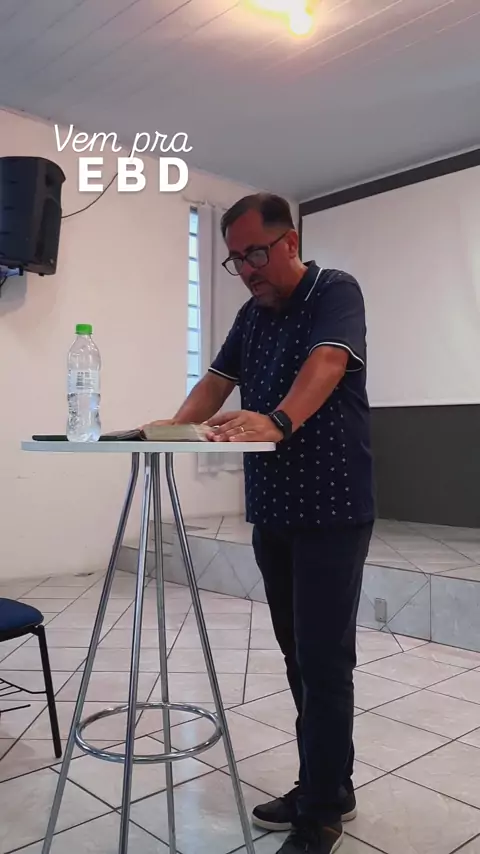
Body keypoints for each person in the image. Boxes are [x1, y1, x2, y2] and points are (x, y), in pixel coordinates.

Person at [144, 192, 375, 854]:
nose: (246, 270)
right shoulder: (251, 315)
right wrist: (168, 430)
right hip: (274, 509)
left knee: (324, 661)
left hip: (332, 509)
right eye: (235, 260)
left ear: (289, 242)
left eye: (255, 253)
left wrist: (276, 419)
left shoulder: (335, 291)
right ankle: (328, 783)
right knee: (298, 656)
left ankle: (321, 810)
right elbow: (215, 384)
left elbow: (327, 363)